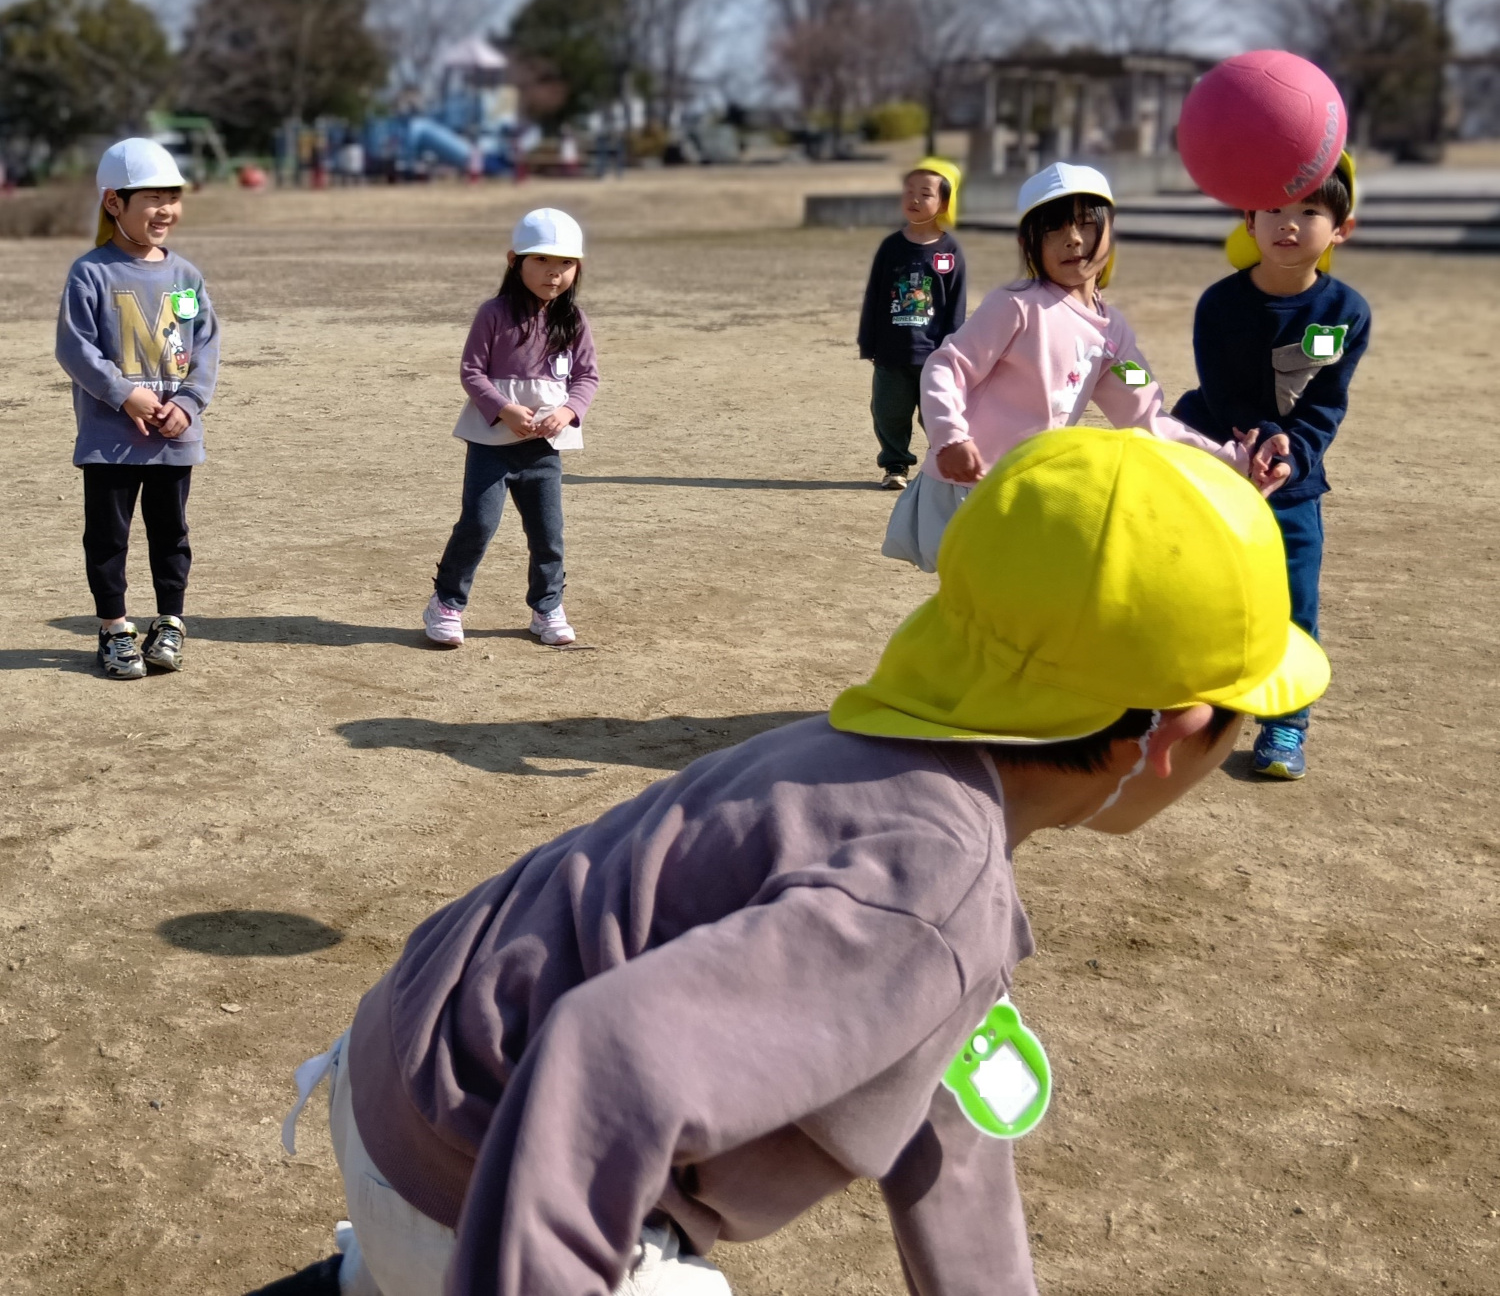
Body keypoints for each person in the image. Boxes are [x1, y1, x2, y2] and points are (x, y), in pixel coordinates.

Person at [254, 426, 1328, 1296]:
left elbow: (946, 1125)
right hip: (478, 1173)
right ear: (1170, 731)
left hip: (395, 1072)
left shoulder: (870, 766)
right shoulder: (937, 889)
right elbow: (605, 1057)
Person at [883, 161, 1288, 572]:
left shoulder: (1112, 335)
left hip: (1030, 491)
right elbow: (946, 366)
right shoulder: (1016, 305)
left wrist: (1231, 459)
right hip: (967, 483)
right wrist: (949, 436)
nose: (1073, 240)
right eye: (1053, 229)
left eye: (1086, 224)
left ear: (1110, 232)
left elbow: (1148, 415)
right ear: (1028, 242)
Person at [1172, 151, 1369, 780]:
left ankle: (1285, 727)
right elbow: (1220, 390)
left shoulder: (1347, 312)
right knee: (1207, 592)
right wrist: (1257, 439)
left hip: (1293, 486)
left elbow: (1326, 403)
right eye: (1273, 211)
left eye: (1309, 211)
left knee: (1294, 606)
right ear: (1248, 222)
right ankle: (1196, 711)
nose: (1289, 224)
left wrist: (1295, 452)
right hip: (1217, 469)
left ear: (1340, 228)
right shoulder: (1220, 305)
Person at [54, 138, 221, 680]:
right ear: (113, 203)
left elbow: (204, 347)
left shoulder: (186, 277)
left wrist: (189, 405)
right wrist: (125, 393)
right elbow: (75, 348)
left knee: (171, 534)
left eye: (171, 197)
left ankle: (170, 622)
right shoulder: (91, 273)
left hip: (173, 438)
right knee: (108, 537)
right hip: (110, 438)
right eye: (151, 198)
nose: (165, 209)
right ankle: (114, 629)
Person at [421, 208, 599, 649]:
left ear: (578, 269)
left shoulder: (573, 322)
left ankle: (547, 607)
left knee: (547, 532)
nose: (553, 274)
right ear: (514, 260)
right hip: (491, 444)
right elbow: (472, 372)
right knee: (478, 524)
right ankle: (446, 603)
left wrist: (568, 411)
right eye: (540, 261)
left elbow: (587, 378)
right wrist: (504, 409)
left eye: (565, 264)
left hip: (543, 449)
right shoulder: (494, 313)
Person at [856, 157, 967, 490]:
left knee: (936, 413)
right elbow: (874, 296)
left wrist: (954, 349)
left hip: (933, 353)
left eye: (925, 193)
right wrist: (869, 342)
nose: (915, 199)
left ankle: (941, 466)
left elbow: (955, 306)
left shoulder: (949, 251)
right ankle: (895, 465)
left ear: (945, 202)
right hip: (891, 352)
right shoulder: (891, 247)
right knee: (889, 412)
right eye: (909, 191)